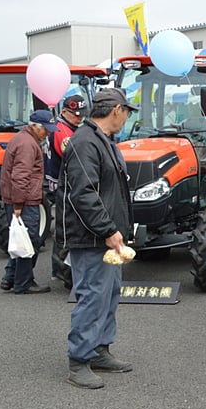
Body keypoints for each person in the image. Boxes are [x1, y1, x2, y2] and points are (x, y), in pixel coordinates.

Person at [59, 87, 138, 389]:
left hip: (106, 237)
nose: (127, 117)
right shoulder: (85, 142)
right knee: (92, 297)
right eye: (127, 111)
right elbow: (84, 194)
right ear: (116, 110)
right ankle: (79, 361)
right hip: (92, 237)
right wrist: (107, 229)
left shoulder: (100, 140)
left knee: (108, 295)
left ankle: (100, 350)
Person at [0, 110, 57, 294]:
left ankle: (9, 277)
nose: (47, 133)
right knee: (30, 241)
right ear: (34, 126)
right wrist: (18, 204)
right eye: (45, 130)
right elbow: (21, 176)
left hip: (17, 198)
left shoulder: (22, 139)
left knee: (19, 239)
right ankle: (23, 283)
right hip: (24, 201)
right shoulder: (28, 145)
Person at [45, 94, 87, 289]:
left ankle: (58, 268)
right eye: (75, 115)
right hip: (60, 183)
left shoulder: (67, 127)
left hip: (61, 180)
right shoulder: (62, 130)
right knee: (65, 226)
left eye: (81, 115)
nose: (79, 118)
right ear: (64, 112)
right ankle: (61, 269)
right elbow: (73, 155)